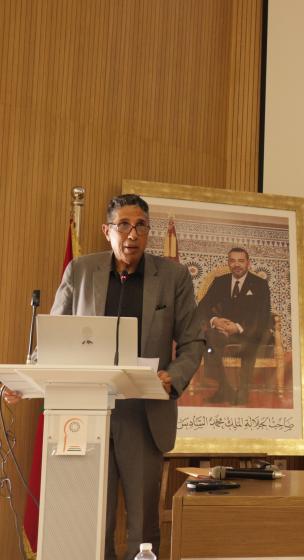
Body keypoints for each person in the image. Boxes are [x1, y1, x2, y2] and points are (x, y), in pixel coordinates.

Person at [3, 194, 204, 559]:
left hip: (142, 413)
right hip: (83, 414)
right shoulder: (80, 271)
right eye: (123, 225)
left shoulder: (172, 277)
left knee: (143, 528)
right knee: (90, 522)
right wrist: (27, 380)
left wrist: (173, 377)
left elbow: (193, 341)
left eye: (141, 226)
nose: (133, 234)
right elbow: (54, 340)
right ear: (106, 230)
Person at [196, 247, 272, 405]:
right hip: (222, 332)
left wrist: (238, 327)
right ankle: (224, 388)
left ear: (248, 263)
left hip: (247, 332)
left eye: (241, 261)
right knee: (209, 340)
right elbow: (202, 307)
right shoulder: (220, 282)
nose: (237, 264)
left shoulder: (260, 284)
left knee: (250, 341)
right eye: (233, 261)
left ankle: (242, 391)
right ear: (228, 263)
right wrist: (215, 321)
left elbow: (263, 316)